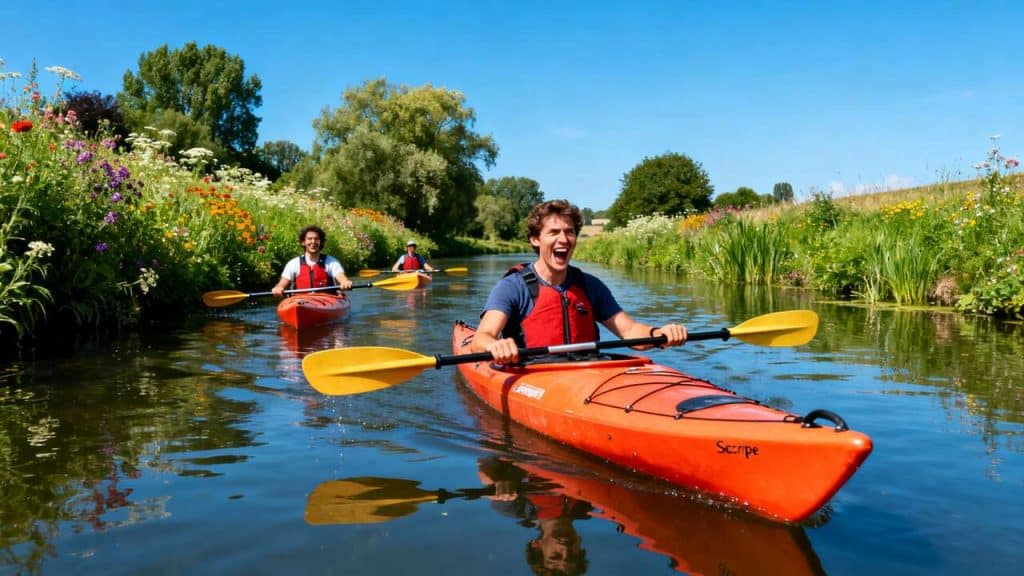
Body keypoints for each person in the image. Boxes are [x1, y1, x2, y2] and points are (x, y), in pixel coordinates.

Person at [470, 199, 687, 364]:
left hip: (586, 373)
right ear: (535, 239)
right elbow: (481, 338)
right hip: (534, 374)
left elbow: (629, 332)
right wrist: (495, 345)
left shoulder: (589, 285)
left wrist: (659, 334)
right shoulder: (513, 286)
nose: (563, 239)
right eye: (554, 232)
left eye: (570, 232)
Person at [271, 225, 353, 296]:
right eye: (309, 239)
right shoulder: (293, 263)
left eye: (316, 239)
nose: (313, 242)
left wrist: (345, 282)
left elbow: (340, 276)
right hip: (300, 301)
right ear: (303, 242)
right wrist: (279, 288)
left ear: (321, 242)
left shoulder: (331, 261)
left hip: (326, 300)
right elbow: (283, 282)